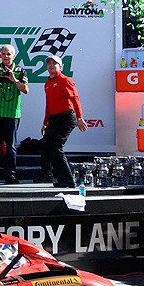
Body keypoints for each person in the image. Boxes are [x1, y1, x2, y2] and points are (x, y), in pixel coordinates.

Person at [40, 54, 87, 188]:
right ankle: (47, 175)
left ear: (60, 67)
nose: (51, 65)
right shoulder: (48, 83)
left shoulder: (65, 80)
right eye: (49, 63)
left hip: (66, 117)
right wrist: (45, 122)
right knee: (46, 145)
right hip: (54, 118)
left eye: (54, 63)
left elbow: (75, 99)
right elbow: (49, 105)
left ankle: (68, 180)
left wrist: (79, 118)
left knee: (56, 147)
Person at [0, 45, 30, 184]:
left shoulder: (20, 71)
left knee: (11, 146)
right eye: (4, 54)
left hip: (12, 114)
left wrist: (14, 80)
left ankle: (10, 175)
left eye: (9, 54)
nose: (6, 56)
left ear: (14, 56)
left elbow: (26, 90)